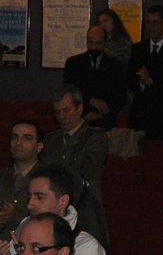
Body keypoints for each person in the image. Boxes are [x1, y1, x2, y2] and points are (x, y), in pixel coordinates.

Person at [39, 87, 111, 244]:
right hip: (52, 213)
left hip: (84, 213)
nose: (61, 116)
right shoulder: (50, 140)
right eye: (57, 112)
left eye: (66, 110)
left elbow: (84, 173)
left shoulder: (96, 137)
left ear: (80, 108)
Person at [124, 5, 163, 140]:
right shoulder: (138, 49)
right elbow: (129, 80)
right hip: (140, 115)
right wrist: (141, 82)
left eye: (155, 22)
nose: (150, 27)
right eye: (148, 22)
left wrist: (151, 82)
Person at [0, 119, 43, 240]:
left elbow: (50, 220)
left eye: (27, 138)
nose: (19, 143)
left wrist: (14, 216)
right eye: (15, 137)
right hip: (2, 251)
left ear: (39, 146)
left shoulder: (47, 178)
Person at [62, 26, 128, 126]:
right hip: (79, 120)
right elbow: (69, 91)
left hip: (106, 123)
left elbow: (120, 97)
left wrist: (100, 114)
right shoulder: (73, 63)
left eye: (98, 43)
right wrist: (90, 101)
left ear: (105, 42)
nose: (94, 47)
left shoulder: (116, 66)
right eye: (91, 42)